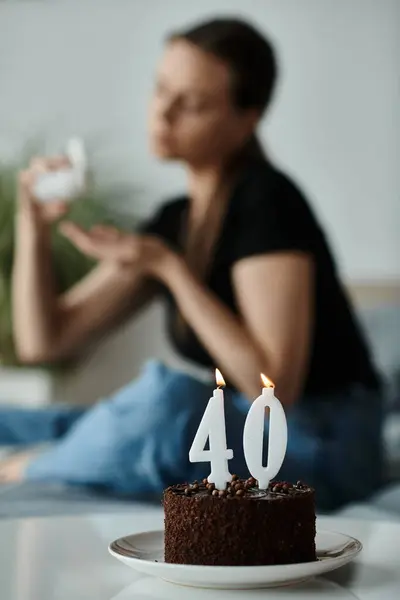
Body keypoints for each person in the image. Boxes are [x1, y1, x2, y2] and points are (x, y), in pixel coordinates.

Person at [0, 18, 383, 510]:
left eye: (193, 104)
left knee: (167, 401)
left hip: (324, 437)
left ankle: (28, 468)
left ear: (247, 119)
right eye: (161, 90)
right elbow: (43, 341)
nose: (163, 113)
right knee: (37, 421)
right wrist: (30, 221)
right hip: (246, 425)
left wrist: (171, 270)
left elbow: (275, 387)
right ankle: (57, 450)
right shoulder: (174, 222)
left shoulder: (267, 201)